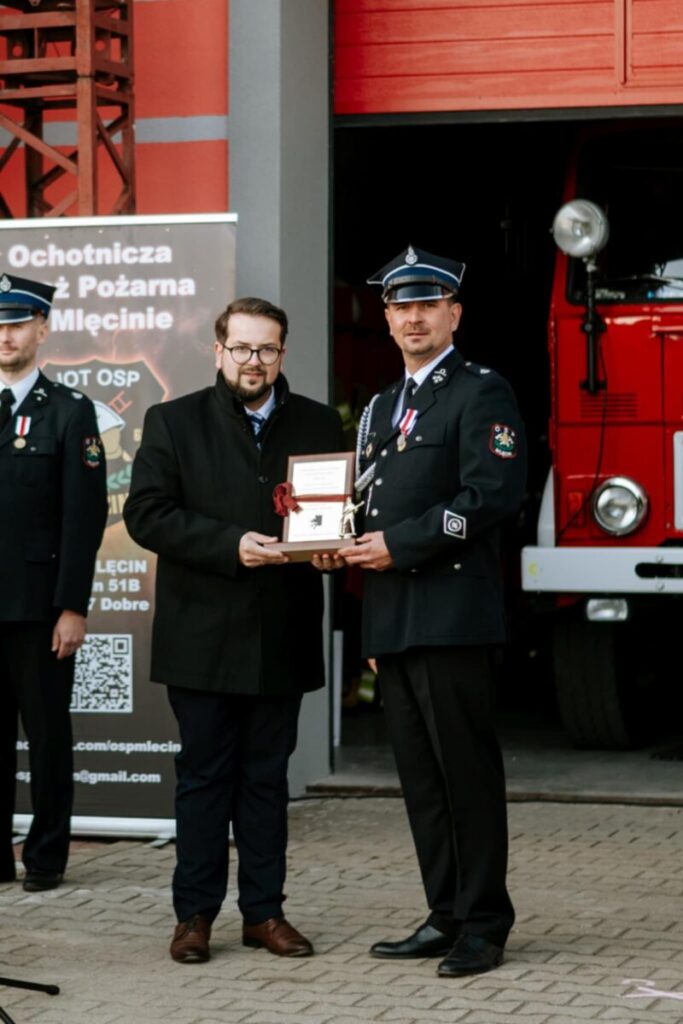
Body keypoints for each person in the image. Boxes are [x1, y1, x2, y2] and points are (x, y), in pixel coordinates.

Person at [124, 296, 343, 965]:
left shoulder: (315, 422)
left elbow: (334, 516)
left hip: (281, 632)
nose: (254, 362)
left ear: (283, 353)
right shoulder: (173, 420)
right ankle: (193, 915)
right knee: (202, 781)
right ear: (218, 351)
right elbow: (146, 515)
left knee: (265, 782)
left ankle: (264, 914)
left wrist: (333, 547)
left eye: (267, 350)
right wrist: (229, 544)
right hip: (202, 637)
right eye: (242, 349)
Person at [337, 245, 527, 978]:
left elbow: (489, 498)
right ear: (385, 319)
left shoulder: (480, 391)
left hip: (452, 611)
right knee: (419, 776)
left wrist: (399, 545)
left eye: (425, 304)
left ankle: (484, 923)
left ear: (452, 312)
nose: (411, 318)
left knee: (464, 773)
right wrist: (337, 544)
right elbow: (365, 504)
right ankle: (443, 912)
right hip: (393, 614)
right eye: (399, 306)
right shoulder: (384, 404)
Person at [0, 273, 107, 893]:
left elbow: (83, 517)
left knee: (46, 739)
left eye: (18, 322)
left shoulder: (70, 412)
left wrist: (72, 605)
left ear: (42, 329)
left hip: (41, 610)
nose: (7, 335)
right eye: (0, 324)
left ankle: (45, 858)